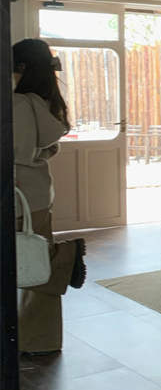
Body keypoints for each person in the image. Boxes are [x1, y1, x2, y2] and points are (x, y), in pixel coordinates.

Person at [13, 38, 87, 355]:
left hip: (20, 195)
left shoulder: (19, 103)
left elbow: (17, 152)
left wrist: (33, 155)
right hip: (36, 193)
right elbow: (45, 147)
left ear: (21, 67)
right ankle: (39, 339)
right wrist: (38, 155)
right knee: (34, 263)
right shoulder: (43, 100)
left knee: (34, 267)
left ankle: (63, 259)